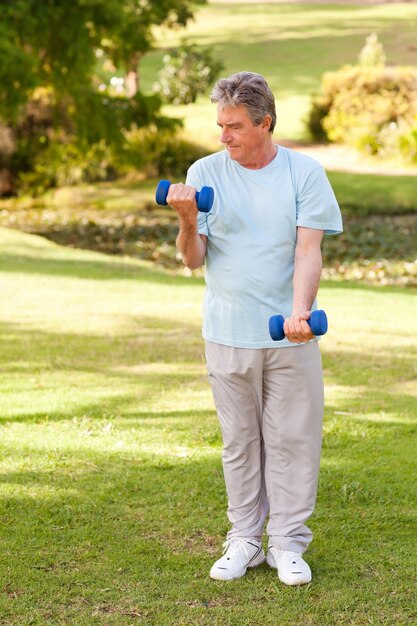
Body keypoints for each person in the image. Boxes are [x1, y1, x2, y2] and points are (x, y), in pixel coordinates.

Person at [166, 72, 343, 585]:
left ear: (265, 123)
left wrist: (301, 312)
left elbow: (308, 249)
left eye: (235, 126)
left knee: (293, 439)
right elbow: (193, 259)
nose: (224, 136)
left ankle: (287, 544)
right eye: (220, 125)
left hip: (288, 333)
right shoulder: (205, 172)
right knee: (240, 441)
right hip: (225, 332)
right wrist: (183, 219)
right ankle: (244, 538)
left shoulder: (304, 174)